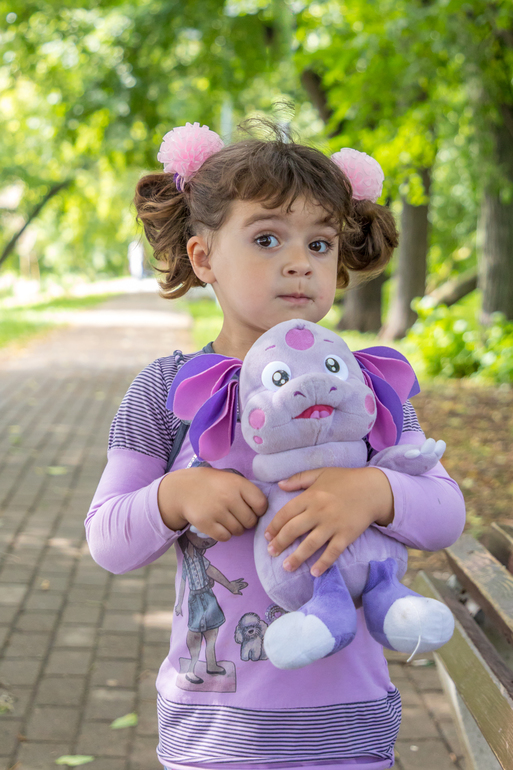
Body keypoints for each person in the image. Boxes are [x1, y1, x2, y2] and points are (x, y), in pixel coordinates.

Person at [86, 120, 466, 770]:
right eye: (266, 238)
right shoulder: (166, 390)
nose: (299, 262)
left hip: (347, 731)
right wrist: (174, 496)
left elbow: (445, 514)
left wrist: (374, 491)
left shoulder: (364, 385)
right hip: (212, 735)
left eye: (319, 243)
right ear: (203, 256)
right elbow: (106, 539)